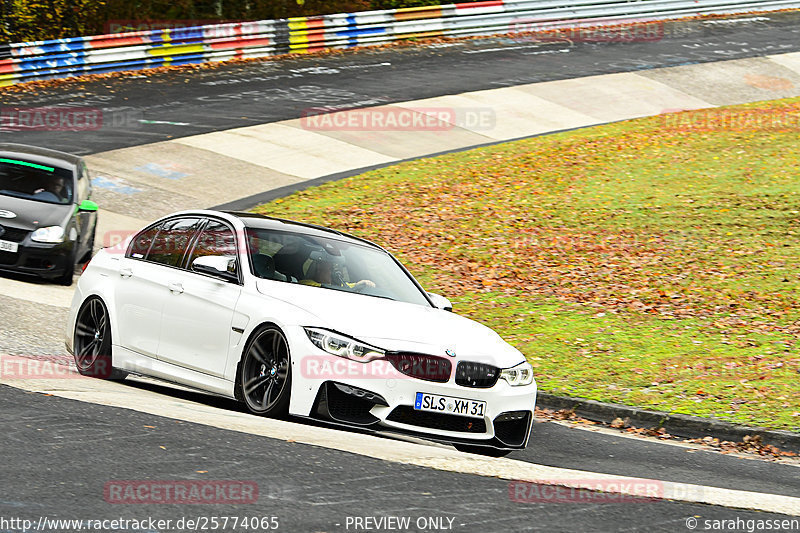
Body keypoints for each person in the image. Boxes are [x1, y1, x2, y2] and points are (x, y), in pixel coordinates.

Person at [300, 259, 375, 291]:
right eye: (331, 267)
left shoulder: (340, 285)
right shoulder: (306, 284)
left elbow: (349, 286)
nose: (336, 271)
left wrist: (364, 283)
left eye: (339, 266)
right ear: (318, 269)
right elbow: (324, 287)